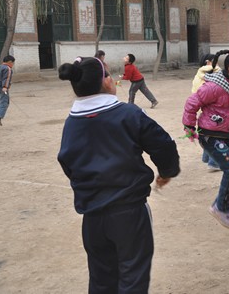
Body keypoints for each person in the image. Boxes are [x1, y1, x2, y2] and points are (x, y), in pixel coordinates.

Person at [57, 56, 180, 293]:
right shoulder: (128, 114)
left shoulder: (72, 122)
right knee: (133, 277)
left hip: (92, 216)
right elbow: (164, 145)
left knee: (101, 279)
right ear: (106, 82)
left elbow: (66, 160)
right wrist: (167, 172)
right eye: (107, 74)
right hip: (129, 213)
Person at [183, 50, 229, 228]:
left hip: (226, 135)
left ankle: (225, 209)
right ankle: (219, 207)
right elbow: (192, 103)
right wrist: (189, 126)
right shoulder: (214, 87)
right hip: (211, 136)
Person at [192, 52, 221, 172]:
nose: (217, 64)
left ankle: (206, 157)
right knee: (217, 134)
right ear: (208, 62)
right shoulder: (213, 71)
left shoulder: (199, 73)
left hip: (203, 107)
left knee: (208, 132)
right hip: (213, 107)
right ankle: (213, 163)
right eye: (215, 61)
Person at [0, 55, 15, 126]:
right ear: (10, 62)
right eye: (13, 63)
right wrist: (5, 87)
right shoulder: (8, 69)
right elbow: (6, 78)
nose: (13, 65)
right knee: (4, 102)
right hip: (2, 88)